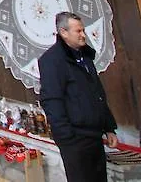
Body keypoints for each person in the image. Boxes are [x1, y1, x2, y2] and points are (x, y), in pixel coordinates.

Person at [38, 11, 118, 182]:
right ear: (63, 32)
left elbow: (97, 93)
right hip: (75, 138)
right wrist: (67, 136)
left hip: (93, 134)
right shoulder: (53, 61)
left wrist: (109, 127)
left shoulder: (85, 56)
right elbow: (52, 100)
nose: (83, 35)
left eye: (83, 30)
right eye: (78, 31)